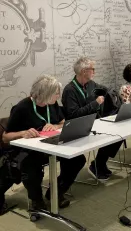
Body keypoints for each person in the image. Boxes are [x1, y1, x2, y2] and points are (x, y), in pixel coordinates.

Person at [2, 75, 86, 210]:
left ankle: (55, 192)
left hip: (50, 144)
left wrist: (55, 126)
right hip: (29, 150)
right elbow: (5, 137)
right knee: (31, 167)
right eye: (56, 93)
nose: (58, 96)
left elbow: (63, 122)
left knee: (77, 159)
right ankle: (36, 201)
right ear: (45, 94)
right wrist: (23, 133)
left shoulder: (51, 105)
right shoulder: (22, 107)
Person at [62, 57, 123, 181]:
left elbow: (104, 89)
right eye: (92, 69)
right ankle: (98, 164)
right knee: (110, 133)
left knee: (119, 133)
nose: (94, 72)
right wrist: (95, 104)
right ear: (84, 71)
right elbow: (74, 114)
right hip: (78, 126)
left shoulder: (91, 84)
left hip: (94, 122)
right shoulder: (70, 90)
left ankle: (99, 163)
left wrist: (113, 93)